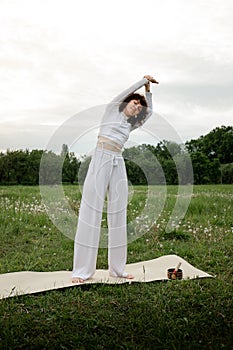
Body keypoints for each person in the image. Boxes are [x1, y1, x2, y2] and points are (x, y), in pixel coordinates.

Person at [72, 75, 158, 283]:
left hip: (118, 161)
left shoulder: (130, 125)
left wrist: (148, 92)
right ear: (127, 101)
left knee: (119, 212)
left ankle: (117, 269)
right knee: (91, 210)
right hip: (101, 157)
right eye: (135, 103)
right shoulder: (111, 111)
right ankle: (82, 270)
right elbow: (124, 93)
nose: (137, 108)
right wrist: (142, 81)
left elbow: (150, 113)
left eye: (139, 107)